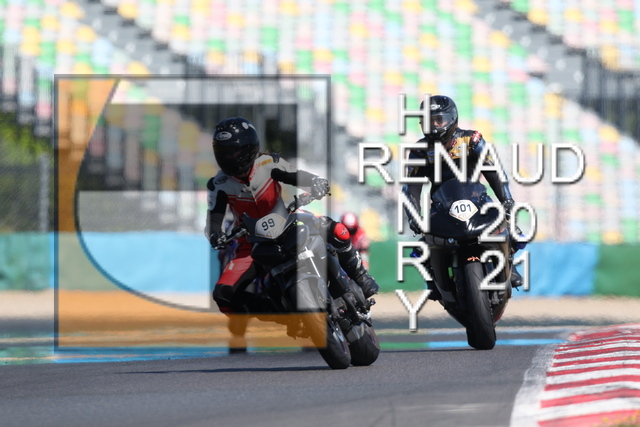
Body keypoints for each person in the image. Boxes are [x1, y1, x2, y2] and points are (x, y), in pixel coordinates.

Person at [205, 117, 379, 319]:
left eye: (234, 151)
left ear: (249, 147)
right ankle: (277, 313)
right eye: (225, 152)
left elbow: (297, 176)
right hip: (250, 244)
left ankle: (360, 276)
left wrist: (315, 183)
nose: (230, 157)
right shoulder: (218, 184)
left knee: (336, 229)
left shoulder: (268, 163)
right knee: (223, 295)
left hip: (287, 222)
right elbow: (214, 218)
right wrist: (215, 235)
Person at [402, 95, 523, 295]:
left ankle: (510, 264)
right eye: (429, 121)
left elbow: (494, 171)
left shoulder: (472, 140)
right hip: (442, 205)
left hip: (477, 199)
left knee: (510, 228)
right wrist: (413, 215)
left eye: (439, 120)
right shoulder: (419, 151)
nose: (435, 126)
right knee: (420, 250)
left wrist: (507, 200)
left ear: (452, 119)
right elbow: (411, 187)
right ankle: (435, 281)